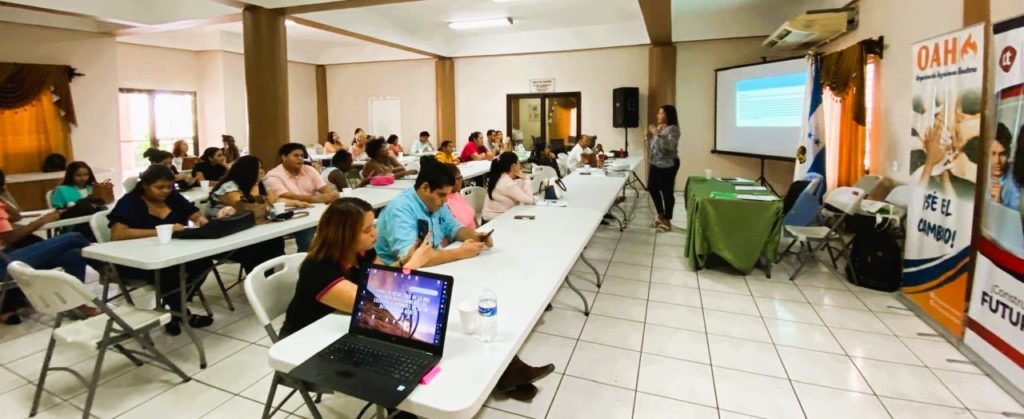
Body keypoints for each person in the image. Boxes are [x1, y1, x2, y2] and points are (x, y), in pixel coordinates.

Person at [279, 197, 434, 337]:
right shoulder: (318, 268)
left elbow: (382, 280)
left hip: (341, 325)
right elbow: (369, 303)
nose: (375, 233)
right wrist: (413, 265)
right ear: (343, 234)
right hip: (305, 337)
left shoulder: (362, 252)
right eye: (367, 230)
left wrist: (404, 262)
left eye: (373, 226)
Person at [107, 164, 215, 335]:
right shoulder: (130, 203)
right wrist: (166, 229)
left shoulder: (173, 197)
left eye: (169, 186)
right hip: (138, 260)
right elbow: (118, 235)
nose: (165, 191)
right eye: (159, 187)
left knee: (203, 261)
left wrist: (200, 219)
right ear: (144, 186)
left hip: (172, 252)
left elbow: (192, 212)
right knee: (171, 271)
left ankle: (174, 309)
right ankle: (179, 312)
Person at [375, 156, 491, 266]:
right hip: (396, 276)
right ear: (425, 188)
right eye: (442, 195)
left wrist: (476, 236)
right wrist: (459, 253)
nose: (446, 200)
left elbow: (453, 228)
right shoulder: (400, 210)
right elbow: (414, 258)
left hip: (429, 265)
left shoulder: (436, 202)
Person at [0, 206, 103, 323]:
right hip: (4, 263)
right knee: (74, 237)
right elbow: (10, 237)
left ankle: (75, 304)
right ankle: (106, 269)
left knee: (74, 255)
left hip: (8, 256)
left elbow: (15, 217)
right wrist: (42, 220)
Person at [208, 155, 304, 273]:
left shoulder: (254, 184)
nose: (261, 171)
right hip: (225, 236)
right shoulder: (229, 187)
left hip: (247, 229)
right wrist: (256, 185)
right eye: (258, 168)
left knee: (275, 241)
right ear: (248, 171)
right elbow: (244, 205)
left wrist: (296, 202)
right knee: (258, 250)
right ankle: (259, 281)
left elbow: (273, 199)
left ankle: (268, 278)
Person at [264, 143, 336, 252]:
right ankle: (307, 263)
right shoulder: (273, 175)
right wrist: (316, 199)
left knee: (341, 223)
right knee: (307, 236)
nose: (300, 159)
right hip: (293, 213)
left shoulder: (309, 169)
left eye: (302, 156)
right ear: (284, 157)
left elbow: (324, 188)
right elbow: (285, 195)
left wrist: (330, 195)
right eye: (296, 155)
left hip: (314, 209)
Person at [645, 105, 681, 232]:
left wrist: (657, 134)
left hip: (668, 164)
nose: (658, 115)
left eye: (661, 113)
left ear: (668, 115)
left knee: (667, 192)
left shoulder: (673, 130)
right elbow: (656, 147)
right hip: (655, 163)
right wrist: (650, 137)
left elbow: (669, 147)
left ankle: (667, 220)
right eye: (658, 113)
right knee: (652, 188)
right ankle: (660, 214)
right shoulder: (660, 128)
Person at [482, 152, 535, 222]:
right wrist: (526, 179)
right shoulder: (506, 182)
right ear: (513, 166)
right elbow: (530, 201)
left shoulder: (500, 177)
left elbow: (523, 197)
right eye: (519, 163)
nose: (521, 166)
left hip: (493, 218)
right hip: (494, 221)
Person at [442, 164, 476, 229]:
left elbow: (473, 215)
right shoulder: (444, 203)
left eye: (461, 177)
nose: (461, 180)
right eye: (459, 178)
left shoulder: (457, 194)